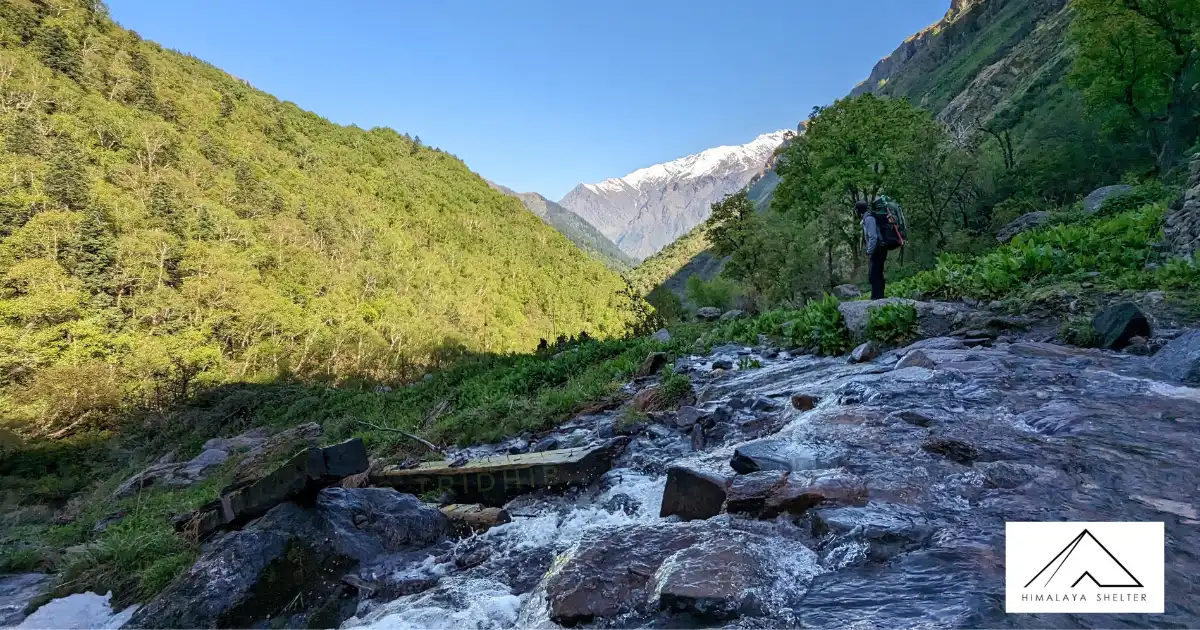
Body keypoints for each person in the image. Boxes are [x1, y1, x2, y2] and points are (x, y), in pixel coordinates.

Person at [857, 200, 888, 299]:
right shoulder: (868, 217)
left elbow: (873, 237)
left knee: (874, 274)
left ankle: (878, 298)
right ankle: (877, 296)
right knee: (876, 273)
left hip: (878, 248)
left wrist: (869, 251)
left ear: (859, 210)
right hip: (879, 247)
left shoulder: (869, 218)